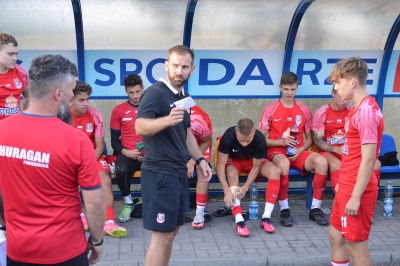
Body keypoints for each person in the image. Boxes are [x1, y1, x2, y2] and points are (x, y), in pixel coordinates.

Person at [0, 54, 105, 265]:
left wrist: (5, 225)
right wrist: (97, 240)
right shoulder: (76, 140)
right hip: (65, 250)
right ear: (58, 93)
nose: (72, 95)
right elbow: (94, 203)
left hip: (18, 249)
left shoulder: (2, 131)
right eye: (72, 90)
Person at [135, 45, 212, 266]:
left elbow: (186, 133)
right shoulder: (155, 93)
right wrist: (167, 120)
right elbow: (140, 126)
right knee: (161, 237)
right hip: (160, 173)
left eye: (185, 67)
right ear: (167, 66)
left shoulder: (183, 96)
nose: (180, 71)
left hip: (178, 173)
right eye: (175, 65)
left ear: (192, 69)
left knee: (172, 232)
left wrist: (200, 160)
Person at [327, 57, 384, 266]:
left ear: (352, 81)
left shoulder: (367, 111)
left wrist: (356, 196)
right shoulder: (356, 109)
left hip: (356, 190)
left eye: (338, 83)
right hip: (348, 184)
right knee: (336, 236)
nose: (336, 88)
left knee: (356, 246)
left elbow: (369, 160)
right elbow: (353, 153)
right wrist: (344, 182)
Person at [259, 71, 329, 227]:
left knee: (322, 162)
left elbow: (310, 139)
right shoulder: (270, 109)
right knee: (284, 164)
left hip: (298, 152)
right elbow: (260, 140)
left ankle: (315, 209)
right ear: (280, 88)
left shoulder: (304, 110)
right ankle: (285, 209)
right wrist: (282, 143)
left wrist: (300, 149)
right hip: (277, 152)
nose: (289, 93)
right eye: (286, 89)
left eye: (292, 89)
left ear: (297, 88)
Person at [70, 81, 127, 238]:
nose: (86, 103)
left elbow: (100, 146)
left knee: (106, 181)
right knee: (68, 183)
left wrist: (86, 165)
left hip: (92, 156)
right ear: (71, 99)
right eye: (81, 100)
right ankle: (80, 217)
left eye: (88, 99)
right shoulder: (63, 116)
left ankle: (109, 222)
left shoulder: (95, 115)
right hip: (70, 159)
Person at [216, 118, 281, 237]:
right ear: (236, 131)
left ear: (254, 133)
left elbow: (256, 167)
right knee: (231, 174)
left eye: (248, 140)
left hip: (252, 161)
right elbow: (220, 165)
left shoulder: (259, 138)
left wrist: (245, 187)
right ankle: (239, 220)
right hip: (235, 161)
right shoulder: (229, 135)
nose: (244, 144)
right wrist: (226, 191)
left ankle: (266, 218)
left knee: (276, 171)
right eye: (241, 140)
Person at [312, 86, 381, 194]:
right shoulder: (322, 112)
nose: (344, 101)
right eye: (340, 97)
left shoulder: (353, 111)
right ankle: (339, 198)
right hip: (329, 151)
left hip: (348, 150)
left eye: (346, 98)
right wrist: (336, 149)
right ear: (333, 93)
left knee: (376, 163)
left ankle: (367, 195)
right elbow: (318, 142)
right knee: (336, 164)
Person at [110, 74, 144, 223]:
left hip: (149, 154)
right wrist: (127, 152)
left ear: (143, 88)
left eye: (138, 91)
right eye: (131, 92)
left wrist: (148, 154)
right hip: (128, 154)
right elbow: (114, 142)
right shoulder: (118, 110)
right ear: (126, 91)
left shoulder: (152, 107)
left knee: (162, 168)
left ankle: (150, 202)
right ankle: (129, 202)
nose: (135, 96)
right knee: (120, 169)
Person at [187, 105, 213, 229]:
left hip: (200, 144)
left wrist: (192, 161)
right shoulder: (165, 118)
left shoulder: (196, 120)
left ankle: (200, 213)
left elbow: (207, 140)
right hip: (179, 147)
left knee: (202, 170)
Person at [0, 33, 29, 120]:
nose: (15, 58)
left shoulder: (21, 72)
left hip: (16, 125)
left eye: (16, 54)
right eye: (10, 54)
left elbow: (28, 97)